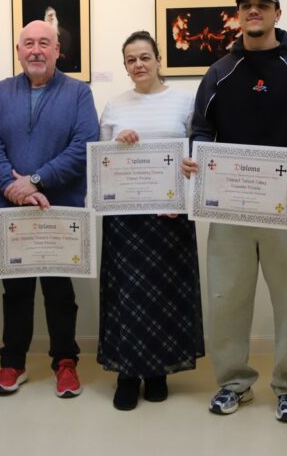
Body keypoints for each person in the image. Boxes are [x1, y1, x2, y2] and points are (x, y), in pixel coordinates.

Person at [182, 0, 287, 422]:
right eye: (246, 7)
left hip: (282, 206)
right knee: (226, 296)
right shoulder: (220, 71)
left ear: (277, 14)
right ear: (239, 16)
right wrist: (195, 157)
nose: (254, 12)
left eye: (262, 6)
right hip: (227, 207)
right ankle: (234, 382)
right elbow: (201, 129)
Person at [0, 20, 99, 398]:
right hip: (12, 212)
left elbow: (85, 144)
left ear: (57, 50)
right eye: (28, 43)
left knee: (60, 294)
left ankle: (65, 363)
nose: (35, 50)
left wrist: (37, 181)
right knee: (15, 294)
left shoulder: (79, 93)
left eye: (44, 43)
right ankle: (12, 363)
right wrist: (16, 190)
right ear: (18, 51)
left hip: (59, 211)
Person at [97, 30, 204, 411]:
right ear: (125, 66)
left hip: (170, 215)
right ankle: (128, 373)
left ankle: (157, 370)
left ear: (159, 60)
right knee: (127, 296)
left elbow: (196, 159)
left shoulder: (184, 103)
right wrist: (116, 143)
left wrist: (185, 200)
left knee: (164, 293)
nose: (138, 64)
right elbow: (101, 166)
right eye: (131, 59)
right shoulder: (114, 107)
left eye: (145, 57)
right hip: (125, 219)